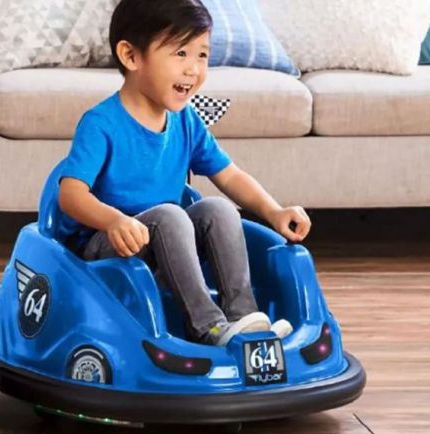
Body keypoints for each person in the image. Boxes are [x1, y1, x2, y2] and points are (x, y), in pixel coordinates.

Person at [54, 0, 310, 346]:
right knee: (170, 215)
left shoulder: (186, 119)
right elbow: (70, 194)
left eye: (202, 55)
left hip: (166, 233)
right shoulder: (101, 123)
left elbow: (230, 176)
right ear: (131, 56)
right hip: (106, 245)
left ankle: (243, 316)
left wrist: (274, 211)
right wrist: (114, 221)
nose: (194, 69)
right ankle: (207, 327)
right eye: (180, 54)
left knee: (217, 208)